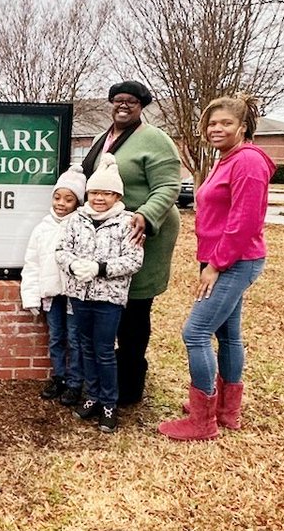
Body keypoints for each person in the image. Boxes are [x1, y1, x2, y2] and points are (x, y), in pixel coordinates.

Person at [159, 95, 274, 441]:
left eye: (225, 123)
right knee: (227, 334)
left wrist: (216, 266)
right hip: (222, 259)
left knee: (194, 333)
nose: (216, 129)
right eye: (211, 123)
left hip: (233, 261)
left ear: (242, 127)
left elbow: (244, 221)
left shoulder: (248, 162)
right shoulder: (227, 159)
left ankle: (202, 419)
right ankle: (225, 410)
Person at [81, 80, 181, 405]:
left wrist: (145, 215)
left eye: (131, 102)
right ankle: (106, 379)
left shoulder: (155, 140)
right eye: (118, 100)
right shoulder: (101, 138)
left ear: (142, 106)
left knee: (135, 310)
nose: (123, 106)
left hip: (143, 234)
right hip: (108, 235)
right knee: (109, 304)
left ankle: (130, 386)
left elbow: (168, 186)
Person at [55, 154, 144, 433]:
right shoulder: (75, 220)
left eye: (106, 193)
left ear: (117, 195)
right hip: (79, 295)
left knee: (104, 351)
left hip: (109, 299)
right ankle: (92, 396)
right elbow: (60, 251)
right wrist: (73, 265)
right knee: (85, 348)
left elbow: (133, 261)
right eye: (94, 192)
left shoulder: (127, 223)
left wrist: (99, 268)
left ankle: (109, 403)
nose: (99, 198)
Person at [20, 164, 86, 401]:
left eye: (68, 199)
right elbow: (33, 263)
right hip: (51, 293)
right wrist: (31, 295)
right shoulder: (42, 228)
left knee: (75, 339)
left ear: (77, 203)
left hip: (74, 294)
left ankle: (75, 383)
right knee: (56, 337)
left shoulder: (82, 227)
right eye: (57, 197)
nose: (61, 203)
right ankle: (58, 377)